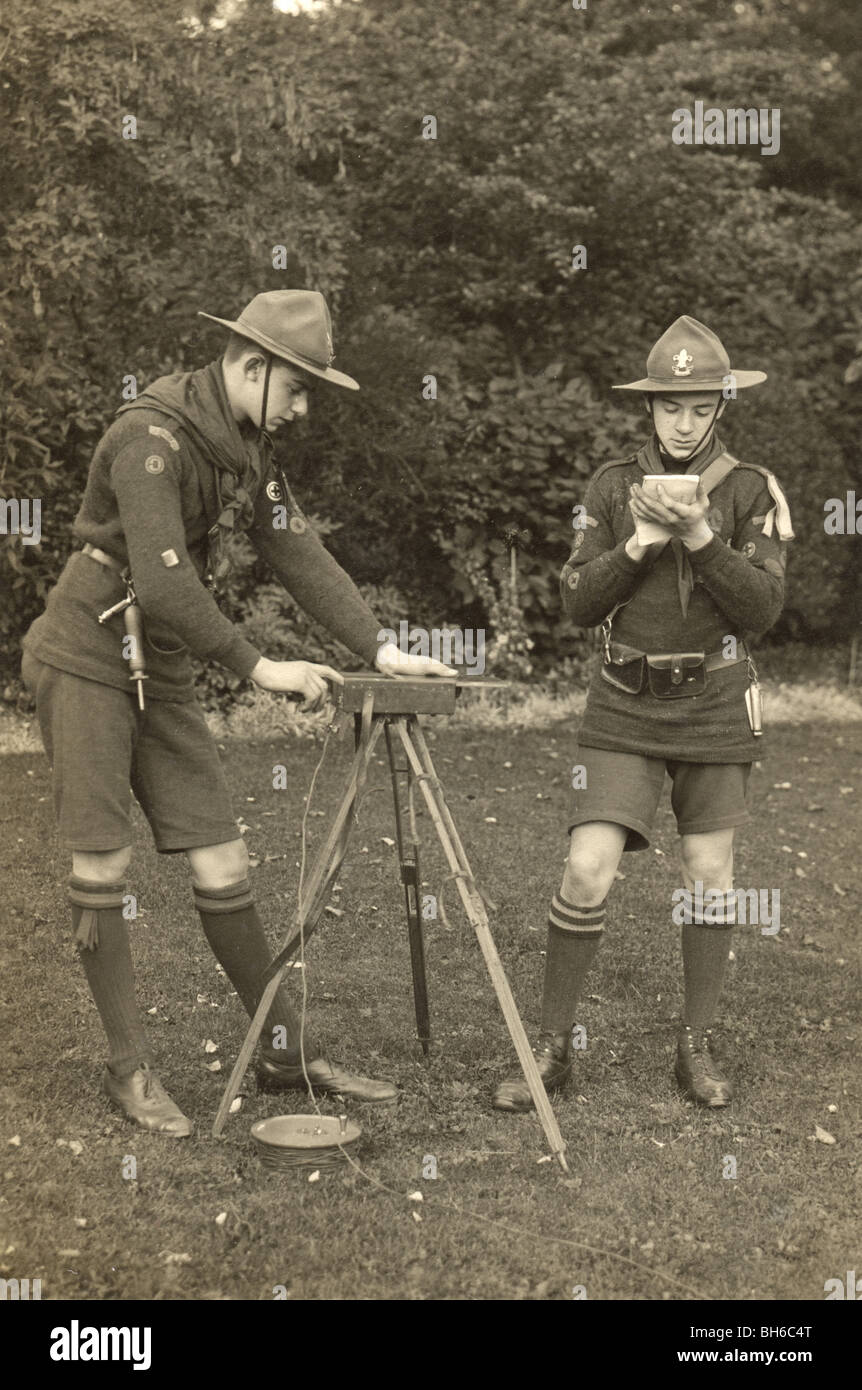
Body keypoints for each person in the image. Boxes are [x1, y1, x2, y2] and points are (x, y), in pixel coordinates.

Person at [21, 289, 453, 1137]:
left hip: (161, 668)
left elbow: (293, 544)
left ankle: (282, 1047)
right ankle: (129, 1069)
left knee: (223, 858)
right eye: (295, 389)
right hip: (86, 660)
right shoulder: (150, 438)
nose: (299, 409)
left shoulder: (243, 445)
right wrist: (262, 668)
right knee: (103, 866)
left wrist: (380, 648)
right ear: (252, 366)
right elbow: (168, 579)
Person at [493, 315, 793, 1112]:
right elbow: (572, 601)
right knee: (587, 868)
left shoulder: (749, 488)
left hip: (717, 702)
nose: (685, 423)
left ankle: (693, 1048)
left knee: (708, 875)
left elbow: (762, 608)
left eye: (700, 407)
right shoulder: (610, 485)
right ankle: (555, 1048)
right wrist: (638, 544)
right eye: (670, 407)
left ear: (720, 407)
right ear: (650, 408)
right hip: (623, 700)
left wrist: (697, 533)